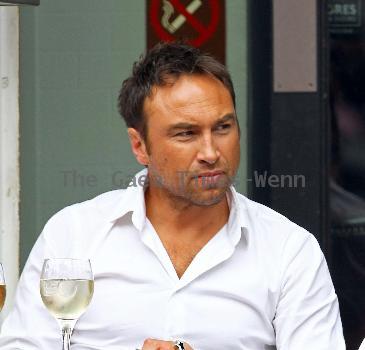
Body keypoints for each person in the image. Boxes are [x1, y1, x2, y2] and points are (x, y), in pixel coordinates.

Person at [0, 42, 345, 350]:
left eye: (223, 127)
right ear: (140, 146)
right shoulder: (74, 233)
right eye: (186, 133)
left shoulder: (289, 250)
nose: (211, 151)